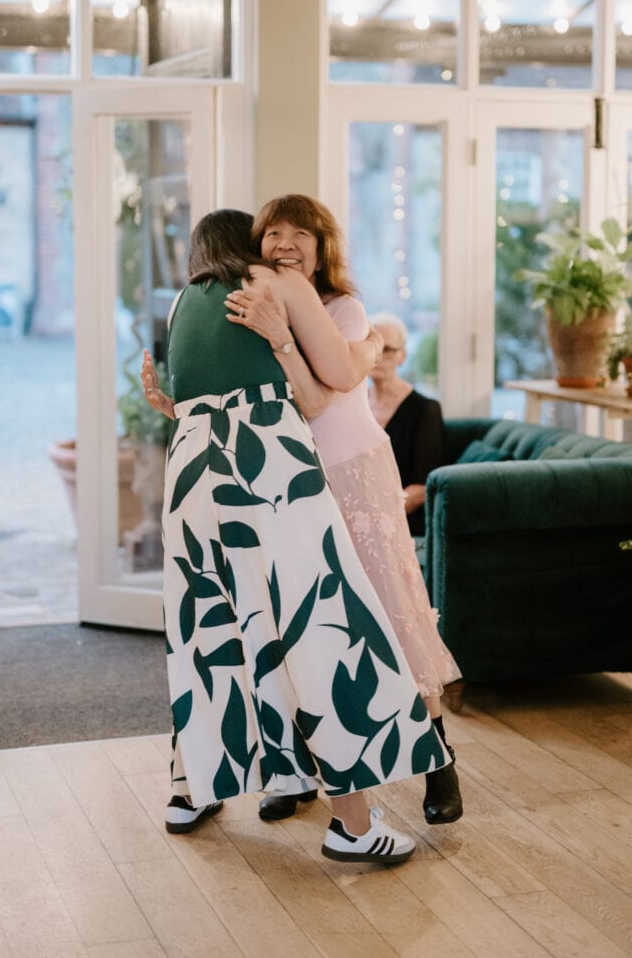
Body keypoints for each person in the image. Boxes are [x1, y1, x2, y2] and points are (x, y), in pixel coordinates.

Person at [140, 208, 450, 865]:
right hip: (268, 463)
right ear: (247, 245)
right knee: (325, 627)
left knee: (212, 630)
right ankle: (353, 826)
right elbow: (336, 379)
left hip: (193, 467)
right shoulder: (273, 282)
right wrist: (365, 351)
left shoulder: (182, 304)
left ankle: (193, 787)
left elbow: (188, 390)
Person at [224, 194, 462, 826]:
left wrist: (281, 340)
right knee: (303, 624)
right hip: (290, 482)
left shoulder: (345, 309)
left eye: (301, 233)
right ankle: (301, 769)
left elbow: (321, 402)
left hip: (354, 473)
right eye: (272, 232)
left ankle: (440, 766)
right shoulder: (251, 307)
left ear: (323, 246)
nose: (285, 243)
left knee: (390, 609)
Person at [368, 312, 446, 537]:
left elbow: (422, 488)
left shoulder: (425, 409)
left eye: (387, 350)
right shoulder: (355, 404)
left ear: (403, 356)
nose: (377, 356)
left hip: (400, 520)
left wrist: (377, 518)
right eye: (371, 346)